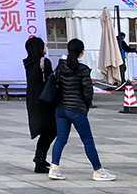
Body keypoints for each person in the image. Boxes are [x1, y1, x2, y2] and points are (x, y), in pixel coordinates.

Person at [48, 38, 115, 181]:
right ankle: (98, 170)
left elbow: (56, 86)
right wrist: (85, 106)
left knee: (61, 139)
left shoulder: (60, 67)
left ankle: (54, 168)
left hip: (61, 109)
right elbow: (88, 91)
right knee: (88, 141)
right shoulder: (83, 69)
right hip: (76, 109)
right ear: (82, 53)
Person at [23, 37, 56, 174]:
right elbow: (50, 81)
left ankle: (40, 159)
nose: (46, 47)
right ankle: (39, 160)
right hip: (45, 101)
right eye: (44, 46)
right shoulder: (44, 62)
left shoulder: (28, 63)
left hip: (32, 100)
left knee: (46, 131)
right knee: (51, 130)